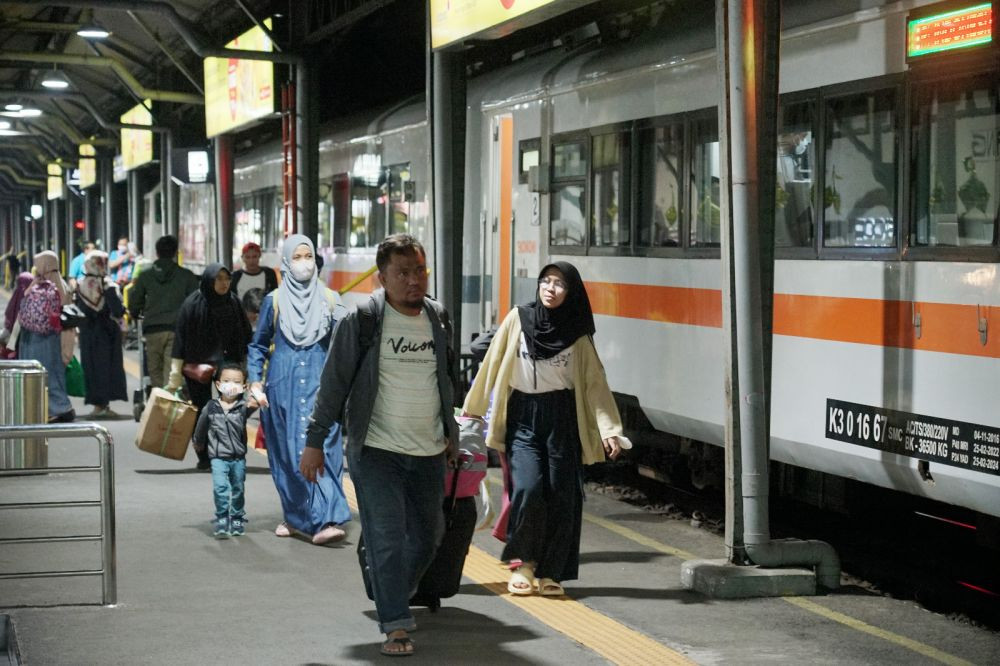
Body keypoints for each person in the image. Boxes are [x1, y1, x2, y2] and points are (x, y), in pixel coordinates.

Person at [301, 233, 457, 658]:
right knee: (388, 539)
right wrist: (315, 442)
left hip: (427, 452)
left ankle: (386, 585)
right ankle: (395, 624)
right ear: (383, 276)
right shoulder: (362, 321)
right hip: (376, 452)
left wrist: (452, 437)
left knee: (428, 538)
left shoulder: (438, 318)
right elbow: (333, 385)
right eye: (403, 272)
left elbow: (444, 383)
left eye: (420, 271)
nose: (414, 280)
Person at [462, 261, 626, 598]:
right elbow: (492, 361)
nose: (550, 289)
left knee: (562, 495)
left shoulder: (577, 335)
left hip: (562, 418)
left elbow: (595, 384)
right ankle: (524, 564)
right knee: (528, 488)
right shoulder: (519, 319)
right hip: (523, 416)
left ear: (572, 292)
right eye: (546, 282)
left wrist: (610, 429)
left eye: (559, 284)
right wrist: (473, 410)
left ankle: (552, 572)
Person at [247, 235, 350, 545]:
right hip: (282, 386)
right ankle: (296, 517)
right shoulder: (274, 302)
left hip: (322, 386)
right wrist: (254, 381)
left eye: (309, 256)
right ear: (286, 263)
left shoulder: (332, 300)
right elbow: (258, 344)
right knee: (288, 454)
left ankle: (323, 519)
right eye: (298, 256)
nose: (304, 262)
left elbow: (346, 343)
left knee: (326, 451)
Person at [167, 264, 252, 470]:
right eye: (219, 279)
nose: (224, 283)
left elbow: (245, 334)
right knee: (202, 410)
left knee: (233, 410)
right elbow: (180, 338)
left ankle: (233, 451)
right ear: (209, 280)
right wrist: (175, 374)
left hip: (229, 364)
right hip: (197, 363)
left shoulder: (233, 302)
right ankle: (204, 454)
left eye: (227, 279)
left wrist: (245, 365)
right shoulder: (193, 304)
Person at [192, 362, 258, 539]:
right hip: (218, 457)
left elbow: (258, 403)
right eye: (227, 380)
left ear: (244, 386)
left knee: (238, 488)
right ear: (218, 384)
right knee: (220, 487)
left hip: (238, 458)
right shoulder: (211, 407)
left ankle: (236, 518)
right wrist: (198, 442)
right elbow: (201, 426)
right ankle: (222, 518)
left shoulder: (243, 407)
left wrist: (259, 398)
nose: (231, 385)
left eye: (236, 382)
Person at [128, 235, 199, 389]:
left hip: (152, 328)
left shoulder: (145, 275)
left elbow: (135, 301)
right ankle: (170, 402)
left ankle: (158, 403)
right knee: (173, 370)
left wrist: (135, 313)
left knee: (154, 370)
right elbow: (196, 301)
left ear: (157, 252)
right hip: (177, 329)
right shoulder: (186, 275)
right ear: (175, 253)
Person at [16, 251, 75, 422]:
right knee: (54, 372)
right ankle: (57, 407)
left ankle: (59, 408)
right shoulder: (61, 283)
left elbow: (25, 302)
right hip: (56, 335)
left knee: (45, 371)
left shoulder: (43, 285)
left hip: (42, 338)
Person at [74, 251, 128, 418]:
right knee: (107, 367)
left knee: (91, 367)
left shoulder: (80, 284)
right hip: (107, 333)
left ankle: (97, 404)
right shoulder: (108, 285)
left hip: (88, 333)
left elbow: (78, 309)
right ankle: (104, 404)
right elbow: (118, 311)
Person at [1, 272, 34, 359]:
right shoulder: (35, 296)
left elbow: (9, 316)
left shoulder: (16, 295)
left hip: (13, 339)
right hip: (29, 338)